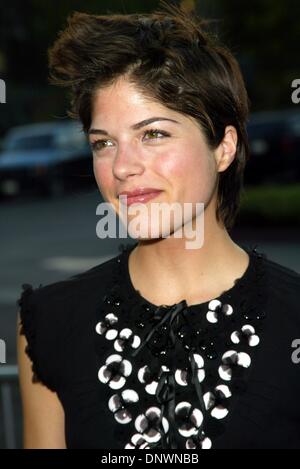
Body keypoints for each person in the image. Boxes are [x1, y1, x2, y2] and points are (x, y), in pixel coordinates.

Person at [17, 2, 300, 449]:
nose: (123, 167)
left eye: (154, 134)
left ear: (224, 147)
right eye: (104, 143)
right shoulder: (50, 322)